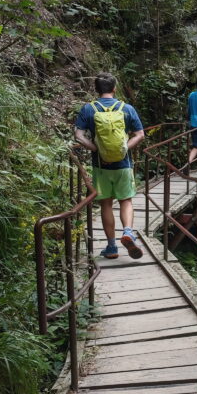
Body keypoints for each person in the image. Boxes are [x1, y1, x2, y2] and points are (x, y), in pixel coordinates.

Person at [74, 73, 145, 259]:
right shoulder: (127, 108)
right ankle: (128, 232)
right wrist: (123, 150)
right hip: (123, 164)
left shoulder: (88, 109)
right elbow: (140, 135)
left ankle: (112, 247)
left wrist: (95, 149)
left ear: (96, 90)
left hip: (101, 165)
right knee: (126, 200)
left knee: (106, 203)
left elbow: (79, 135)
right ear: (114, 88)